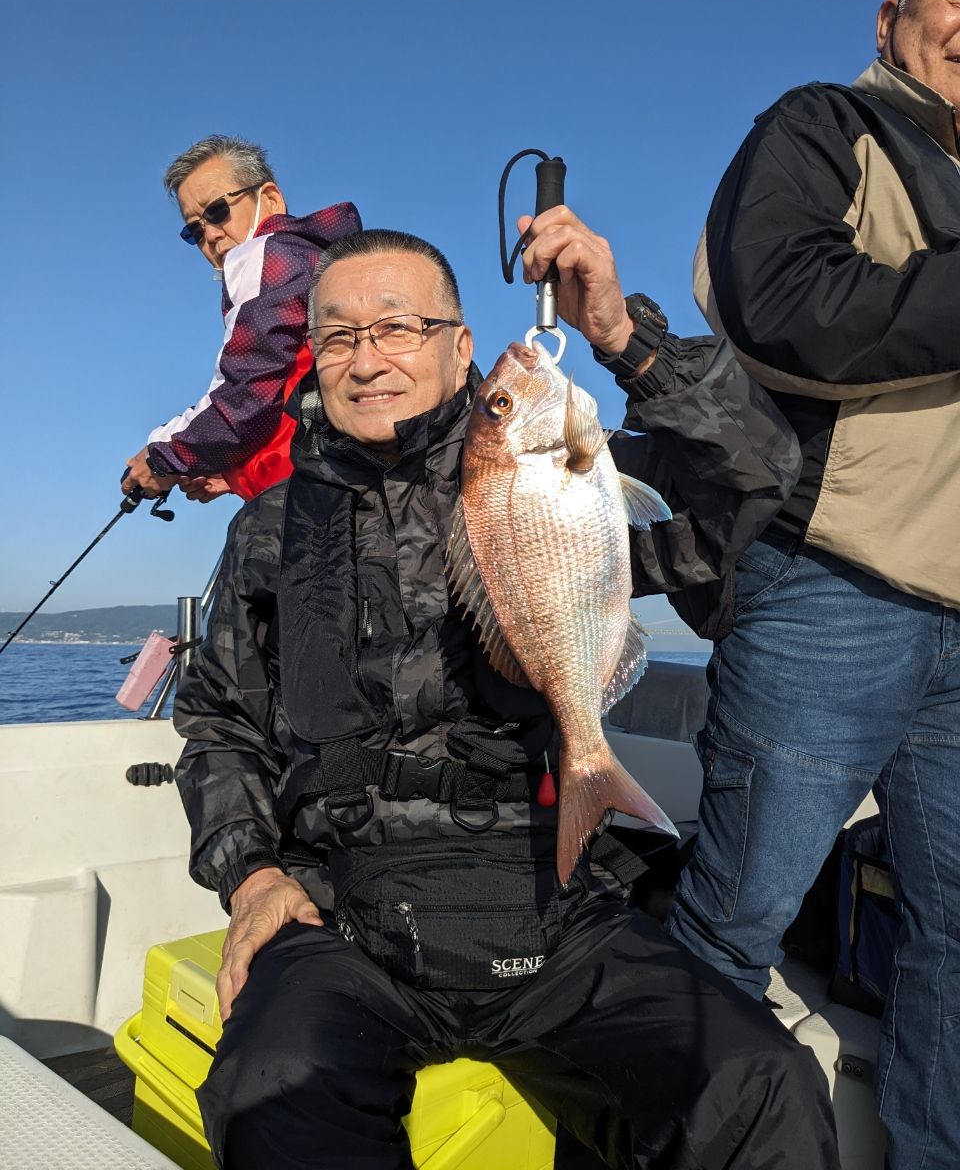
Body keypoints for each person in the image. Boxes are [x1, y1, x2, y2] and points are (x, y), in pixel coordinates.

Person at [173, 215, 839, 1169]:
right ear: (312, 358)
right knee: (269, 1095)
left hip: (553, 892)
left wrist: (624, 338)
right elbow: (219, 721)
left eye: (398, 327)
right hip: (342, 910)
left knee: (758, 1084)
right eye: (338, 337)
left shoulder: (548, 467)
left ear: (461, 347)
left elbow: (758, 478)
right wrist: (253, 873)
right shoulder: (269, 529)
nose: (367, 360)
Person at [666, 0, 960, 1169]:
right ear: (894, 19)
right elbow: (780, 305)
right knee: (731, 920)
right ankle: (672, 1143)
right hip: (830, 591)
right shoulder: (821, 126)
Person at [121, 135, 361, 503]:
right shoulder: (310, 261)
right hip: (327, 489)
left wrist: (163, 457)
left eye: (217, 211)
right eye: (194, 230)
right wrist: (234, 473)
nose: (211, 236)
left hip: (311, 504)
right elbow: (290, 393)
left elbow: (246, 395)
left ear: (269, 199)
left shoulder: (262, 253)